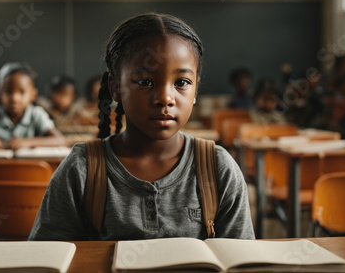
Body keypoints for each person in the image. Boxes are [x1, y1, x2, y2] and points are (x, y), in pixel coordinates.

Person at [29, 13, 254, 241]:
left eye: (182, 83)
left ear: (195, 89)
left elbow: (240, 261)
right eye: (145, 82)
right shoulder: (81, 169)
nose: (165, 98)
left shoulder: (218, 168)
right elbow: (46, 258)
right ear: (116, 88)